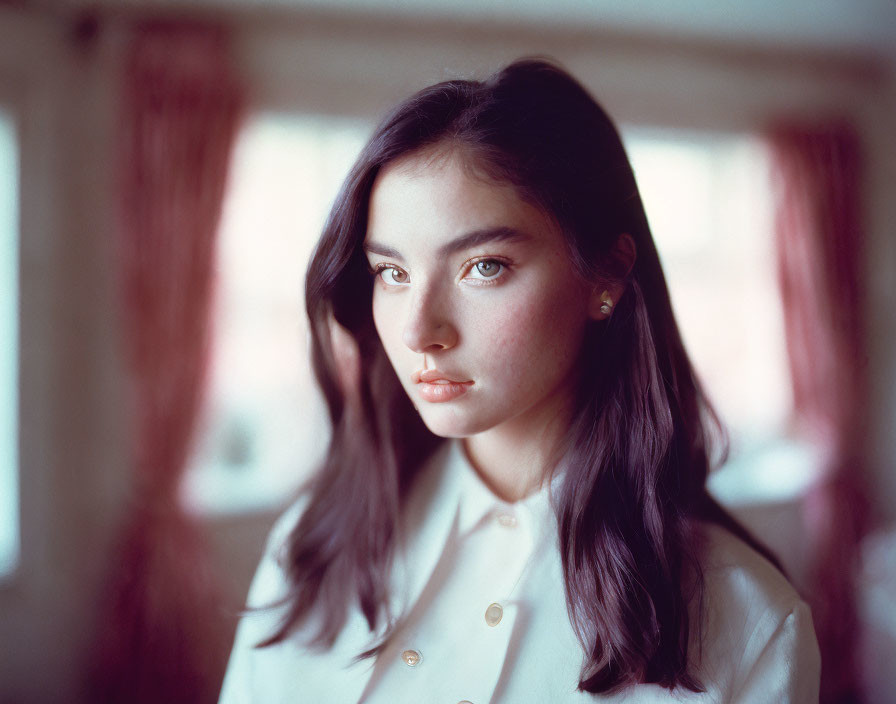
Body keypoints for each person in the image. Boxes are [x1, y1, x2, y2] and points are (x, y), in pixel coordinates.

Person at [219, 58, 820, 703]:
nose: (420, 331)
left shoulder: (751, 625)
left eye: (483, 266)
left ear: (606, 277)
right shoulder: (311, 550)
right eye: (392, 273)